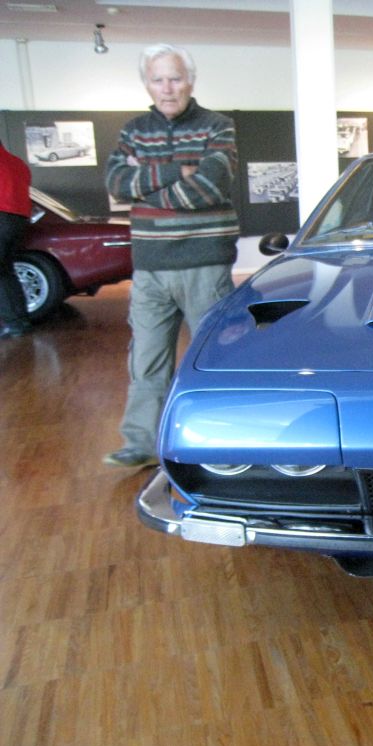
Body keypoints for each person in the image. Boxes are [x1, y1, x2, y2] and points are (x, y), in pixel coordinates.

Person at [103, 44, 239, 468]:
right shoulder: (133, 130)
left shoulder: (218, 126)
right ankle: (141, 443)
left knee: (214, 359)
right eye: (158, 79)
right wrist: (178, 172)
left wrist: (145, 186)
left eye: (175, 78)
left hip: (205, 264)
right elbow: (116, 183)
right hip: (150, 267)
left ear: (190, 81)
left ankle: (220, 440)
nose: (167, 88)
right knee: (146, 359)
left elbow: (210, 187)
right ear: (147, 84)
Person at [0, 139, 33, 340]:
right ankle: (20, 320)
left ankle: (13, 323)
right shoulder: (18, 163)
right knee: (7, 271)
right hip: (19, 220)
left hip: (1, 217)